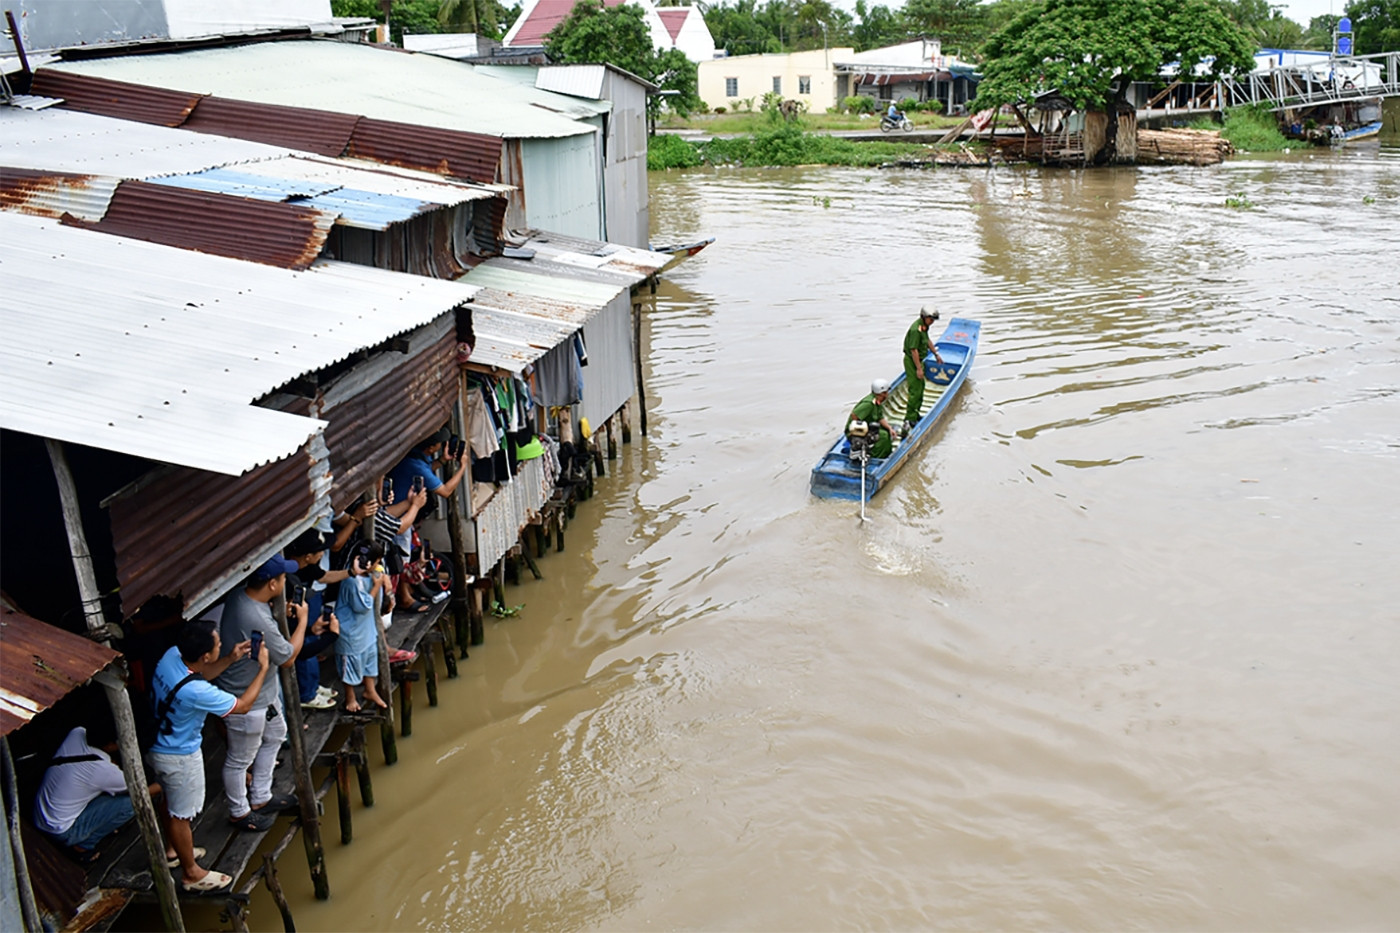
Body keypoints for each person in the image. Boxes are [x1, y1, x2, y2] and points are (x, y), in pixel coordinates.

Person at [148, 619, 269, 892]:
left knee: (169, 800)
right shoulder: (197, 692)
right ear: (205, 655)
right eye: (218, 644)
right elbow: (243, 706)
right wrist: (263, 668)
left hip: (157, 744)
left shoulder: (171, 657)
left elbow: (198, 673)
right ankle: (191, 873)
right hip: (179, 756)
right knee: (181, 814)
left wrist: (229, 658)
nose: (221, 644)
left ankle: (173, 850)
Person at [214, 554, 309, 833]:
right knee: (239, 759)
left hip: (264, 692)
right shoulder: (255, 615)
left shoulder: (240, 597)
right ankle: (239, 811)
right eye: (282, 578)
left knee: (276, 735)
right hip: (245, 696)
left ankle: (261, 796)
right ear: (272, 584)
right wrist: (302, 621)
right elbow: (288, 658)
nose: (284, 582)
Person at [34, 721, 171, 865]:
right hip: (60, 830)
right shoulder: (105, 771)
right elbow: (141, 793)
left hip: (41, 815)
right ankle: (84, 846)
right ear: (111, 744)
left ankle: (94, 824)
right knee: (131, 804)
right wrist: (169, 781)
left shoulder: (76, 734)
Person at [336, 542, 390, 713]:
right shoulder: (351, 581)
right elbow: (362, 606)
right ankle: (350, 697)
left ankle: (370, 690)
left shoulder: (371, 574)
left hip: (366, 629)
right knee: (350, 666)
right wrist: (376, 587)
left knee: (369, 661)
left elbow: (379, 570)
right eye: (377, 562)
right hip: (351, 632)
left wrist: (384, 579)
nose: (378, 565)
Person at [901, 306, 945, 437]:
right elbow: (913, 350)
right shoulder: (916, 329)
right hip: (912, 361)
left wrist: (936, 354)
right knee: (915, 390)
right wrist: (919, 369)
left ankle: (915, 414)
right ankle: (909, 418)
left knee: (921, 387)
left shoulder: (924, 327)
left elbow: (927, 340)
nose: (932, 322)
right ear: (924, 317)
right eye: (931, 319)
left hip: (920, 360)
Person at [847, 379, 895, 459]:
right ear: (882, 393)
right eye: (886, 392)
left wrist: (890, 428)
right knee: (883, 436)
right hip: (854, 431)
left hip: (868, 426)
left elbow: (880, 417)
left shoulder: (877, 402)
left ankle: (885, 454)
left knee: (886, 431)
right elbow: (854, 415)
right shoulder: (868, 404)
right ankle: (876, 456)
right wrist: (859, 431)